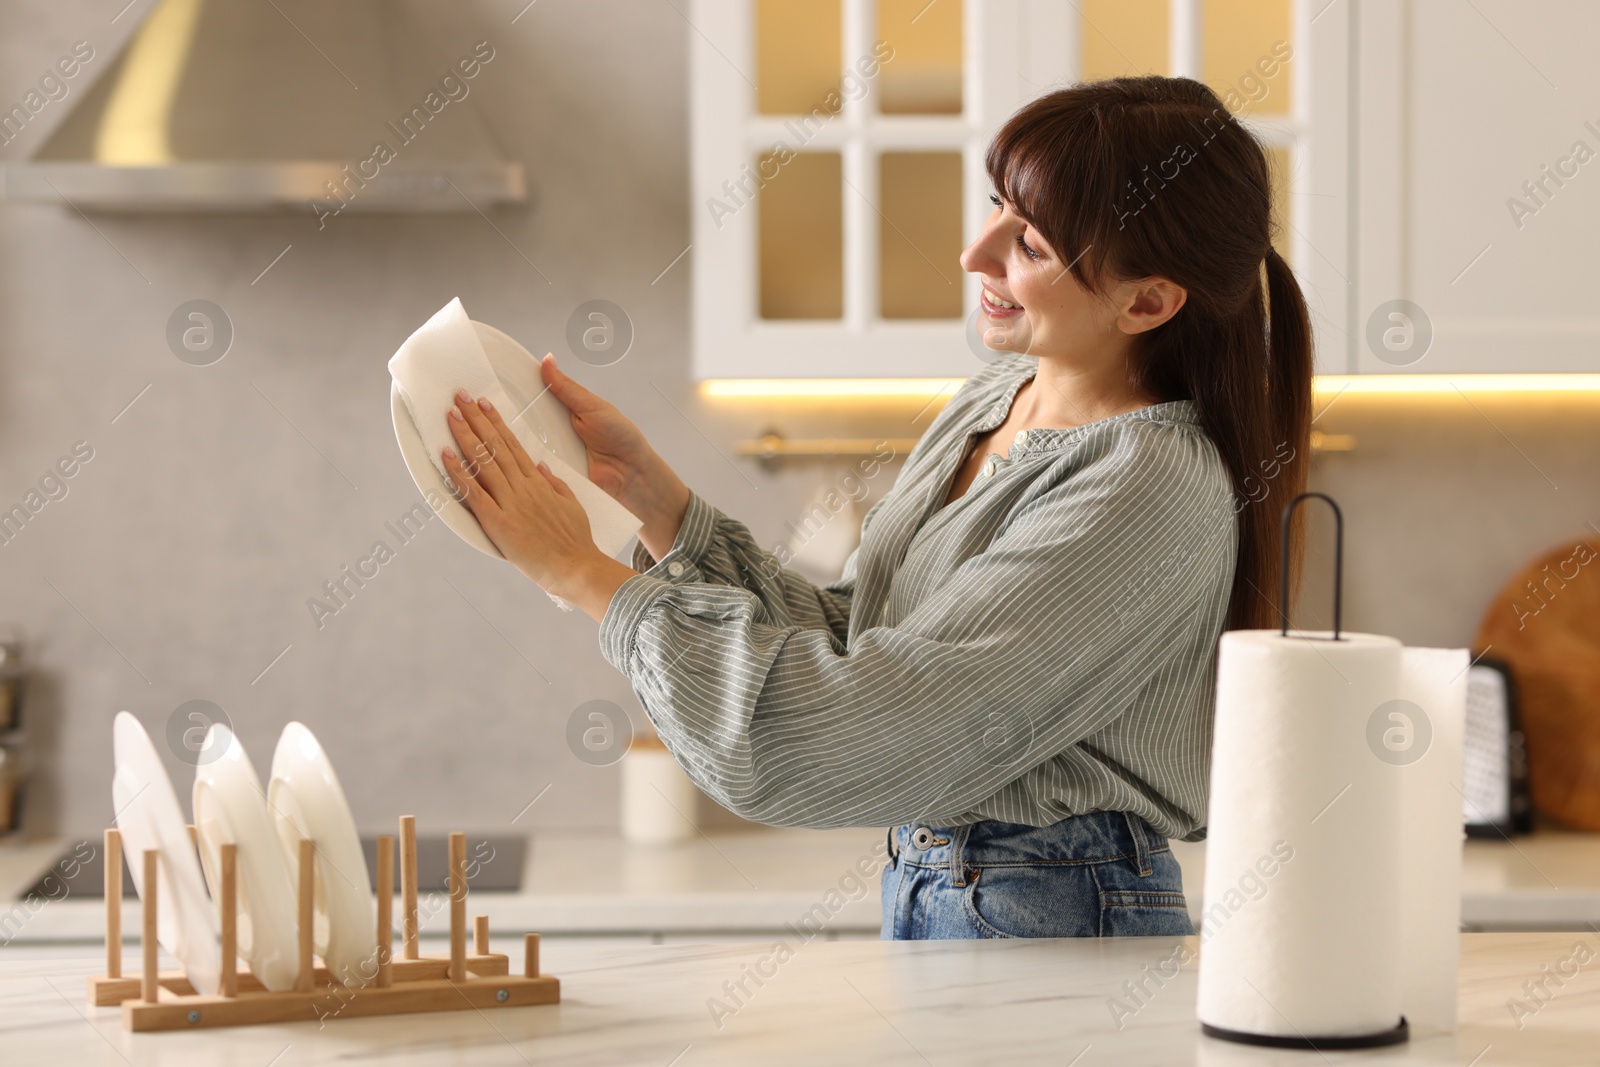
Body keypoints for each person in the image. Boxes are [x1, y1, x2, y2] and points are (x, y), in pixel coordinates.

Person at [437, 76, 1313, 939]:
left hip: (1050, 903)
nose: (977, 254)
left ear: (1148, 301)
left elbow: (858, 728)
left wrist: (586, 575)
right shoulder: (993, 400)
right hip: (958, 889)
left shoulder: (1149, 486)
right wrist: (659, 503)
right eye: (996, 206)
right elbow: (862, 639)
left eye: (1032, 245)